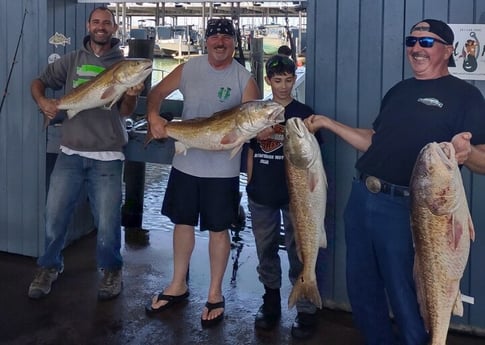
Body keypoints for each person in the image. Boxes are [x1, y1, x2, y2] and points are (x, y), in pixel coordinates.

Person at [304, 19, 485, 345]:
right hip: (362, 199)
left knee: (408, 293)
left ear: (448, 50)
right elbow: (375, 139)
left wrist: (468, 150)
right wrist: (329, 124)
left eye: (426, 42)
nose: (416, 48)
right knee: (361, 287)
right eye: (411, 41)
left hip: (409, 209)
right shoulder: (399, 91)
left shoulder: (466, 97)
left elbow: (482, 160)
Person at [144, 18, 260, 328]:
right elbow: (155, 94)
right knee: (182, 223)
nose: (220, 41)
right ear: (206, 41)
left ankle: (214, 292)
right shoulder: (189, 68)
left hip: (222, 171)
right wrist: (154, 117)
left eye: (226, 36)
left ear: (235, 42)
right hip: (185, 163)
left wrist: (262, 132)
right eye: (215, 36)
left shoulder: (245, 79)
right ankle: (177, 284)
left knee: (218, 230)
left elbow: (258, 125)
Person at [28, 6, 144, 301]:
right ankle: (49, 267)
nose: (101, 27)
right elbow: (38, 82)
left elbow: (126, 112)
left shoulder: (123, 65)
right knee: (53, 217)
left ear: (115, 28)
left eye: (107, 23)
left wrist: (131, 94)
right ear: (88, 25)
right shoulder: (71, 60)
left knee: (107, 224)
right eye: (96, 22)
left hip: (107, 156)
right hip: (70, 152)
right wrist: (44, 102)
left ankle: (111, 271)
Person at [246, 54, 322, 340]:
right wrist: (250, 182)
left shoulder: (303, 112)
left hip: (296, 197)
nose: (283, 86)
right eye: (277, 80)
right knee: (265, 249)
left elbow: (314, 157)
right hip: (262, 193)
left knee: (298, 249)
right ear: (268, 80)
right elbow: (250, 150)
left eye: (288, 80)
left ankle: (305, 307)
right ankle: (271, 301)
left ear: (294, 79)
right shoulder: (256, 112)